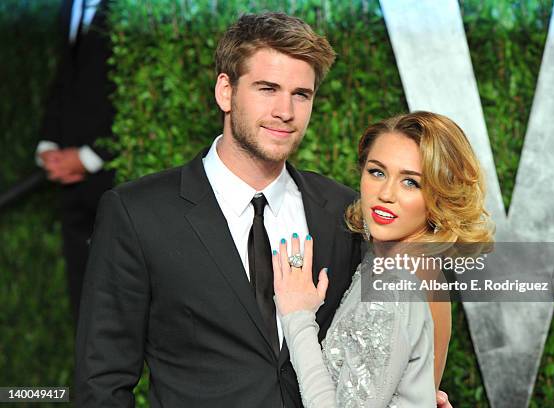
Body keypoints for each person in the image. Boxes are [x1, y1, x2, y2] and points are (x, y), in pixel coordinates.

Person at [75, 13, 453, 407]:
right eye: (267, 88)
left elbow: (386, 335)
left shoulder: (346, 213)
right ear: (226, 91)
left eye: (301, 94)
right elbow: (102, 381)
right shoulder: (139, 213)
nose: (285, 111)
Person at [273, 112, 495, 407]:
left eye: (411, 183)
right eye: (377, 172)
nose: (386, 194)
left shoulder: (394, 286)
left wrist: (298, 318)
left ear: (441, 195)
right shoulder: (421, 270)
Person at [36, 0, 115, 323]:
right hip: (70, 185)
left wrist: (89, 158)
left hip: (112, 178)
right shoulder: (69, 7)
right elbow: (66, 78)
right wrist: (48, 142)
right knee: (82, 300)